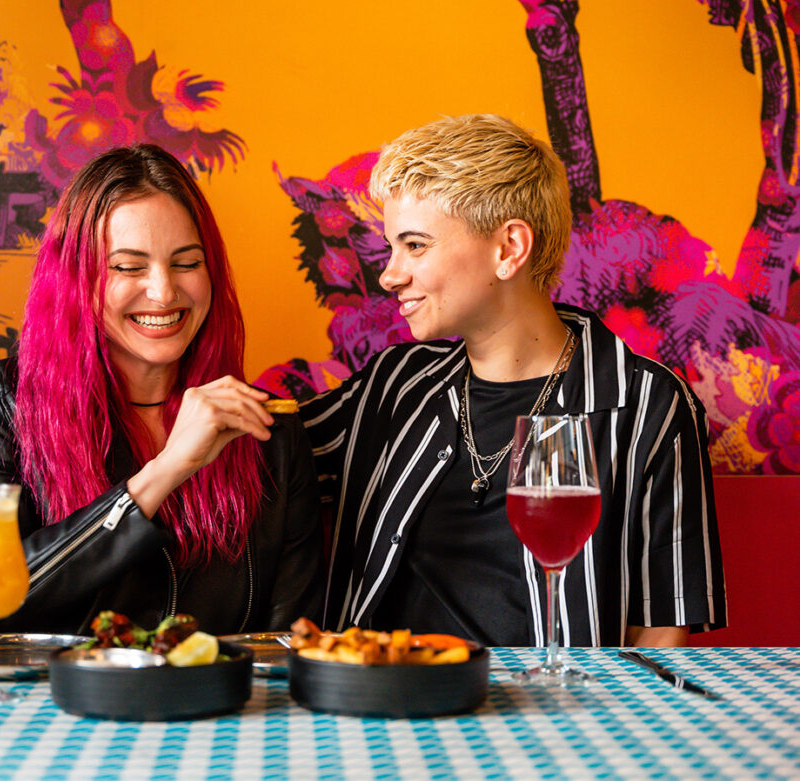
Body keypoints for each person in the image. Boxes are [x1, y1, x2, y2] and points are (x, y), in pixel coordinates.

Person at [301, 114, 726, 647]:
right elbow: (253, 463)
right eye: (392, 248)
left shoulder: (645, 403)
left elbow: (662, 625)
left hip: (555, 718)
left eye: (414, 246)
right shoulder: (394, 385)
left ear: (508, 249)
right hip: (386, 705)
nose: (389, 275)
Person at [0, 144, 322, 636]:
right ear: (77, 278)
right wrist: (165, 472)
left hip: (225, 707)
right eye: (128, 267)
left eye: (187, 262)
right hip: (53, 708)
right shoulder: (4, 402)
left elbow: (293, 642)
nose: (164, 291)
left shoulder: (271, 429)